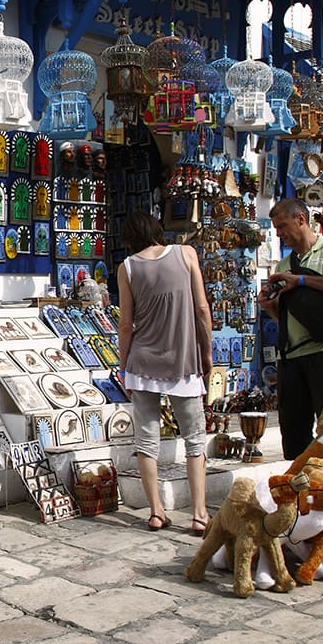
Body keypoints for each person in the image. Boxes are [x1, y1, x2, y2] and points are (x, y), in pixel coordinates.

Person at [117, 211, 213, 534]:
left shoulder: (128, 267)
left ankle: (156, 512)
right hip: (183, 361)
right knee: (194, 439)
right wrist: (207, 352)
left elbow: (126, 324)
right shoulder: (186, 254)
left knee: (146, 440)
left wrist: (123, 366)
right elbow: (202, 309)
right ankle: (199, 514)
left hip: (142, 362)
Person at [259, 197, 323, 460]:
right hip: (292, 358)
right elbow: (286, 319)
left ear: (301, 219)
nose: (279, 234)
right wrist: (269, 307)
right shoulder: (283, 266)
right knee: (294, 435)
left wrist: (301, 280)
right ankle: (300, 483)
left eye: (282, 226)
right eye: (276, 228)